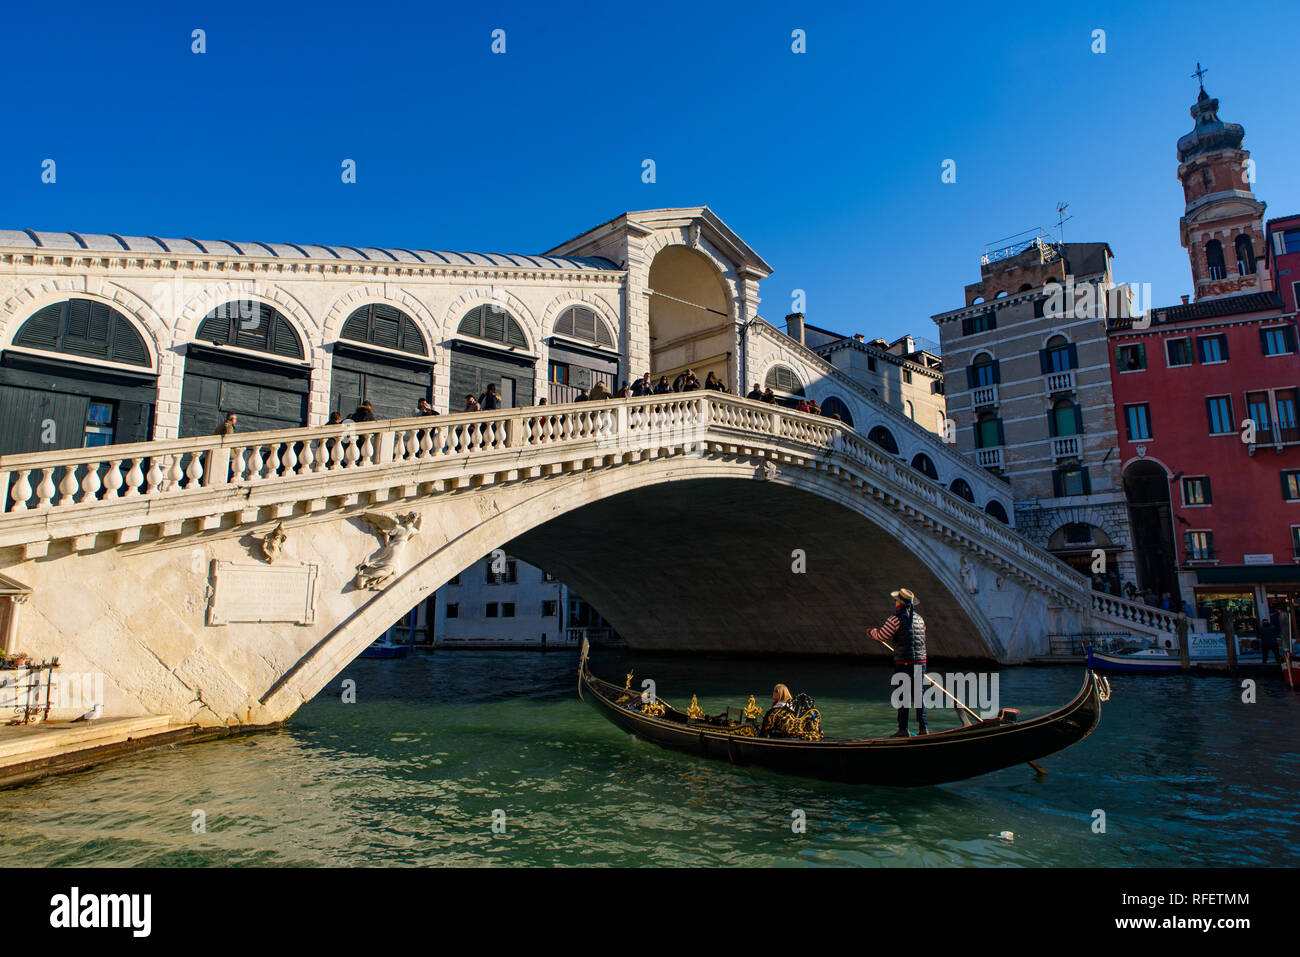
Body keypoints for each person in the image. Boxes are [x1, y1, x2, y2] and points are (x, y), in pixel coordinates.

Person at [867, 587, 928, 737]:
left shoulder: (894, 619)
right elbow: (921, 639)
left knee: (903, 697)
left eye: (896, 601)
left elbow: (882, 635)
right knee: (918, 696)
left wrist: (871, 632)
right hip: (920, 662)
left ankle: (903, 730)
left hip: (904, 663)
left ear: (899, 603)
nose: (895, 603)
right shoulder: (920, 620)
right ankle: (923, 728)